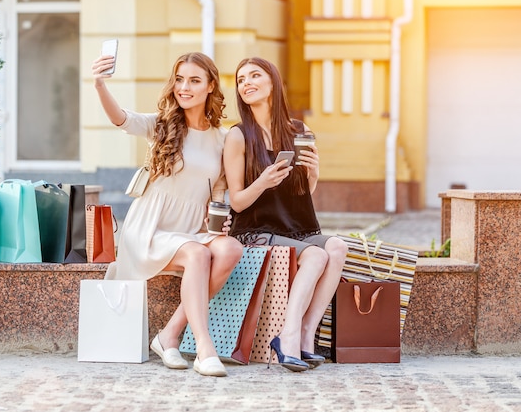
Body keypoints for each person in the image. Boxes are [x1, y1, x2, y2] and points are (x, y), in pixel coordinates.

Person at [92, 51, 243, 377]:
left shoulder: (222, 138)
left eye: (193, 80)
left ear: (210, 86)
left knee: (230, 249)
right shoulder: (161, 125)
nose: (184, 87)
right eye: (179, 79)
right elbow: (121, 118)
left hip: (192, 228)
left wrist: (220, 220)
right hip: (150, 228)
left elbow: (218, 193)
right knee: (198, 257)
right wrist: (99, 83)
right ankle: (204, 348)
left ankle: (169, 335)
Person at [223, 57, 348, 372]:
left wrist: (314, 173)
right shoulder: (238, 136)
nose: (246, 83)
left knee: (336, 247)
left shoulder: (299, 130)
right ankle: (287, 336)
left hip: (296, 228)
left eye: (255, 76)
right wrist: (263, 182)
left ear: (272, 83)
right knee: (316, 258)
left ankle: (307, 333)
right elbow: (237, 202)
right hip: (255, 229)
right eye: (241, 80)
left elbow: (301, 192)